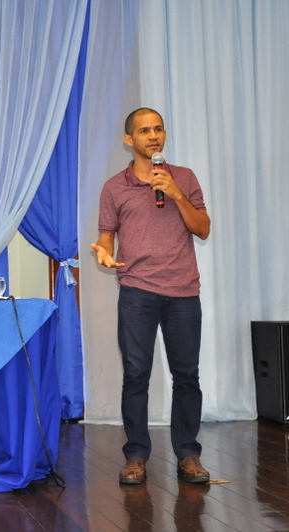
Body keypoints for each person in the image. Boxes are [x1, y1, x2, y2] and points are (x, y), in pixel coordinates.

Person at [90, 108, 211, 485]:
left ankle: (188, 454)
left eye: (158, 129)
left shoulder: (183, 178)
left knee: (187, 376)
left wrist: (175, 194)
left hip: (183, 291)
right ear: (130, 140)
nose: (153, 135)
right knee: (136, 376)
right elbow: (106, 236)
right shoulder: (114, 187)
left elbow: (202, 229)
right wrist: (103, 252)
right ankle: (136, 456)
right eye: (144, 131)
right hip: (137, 292)